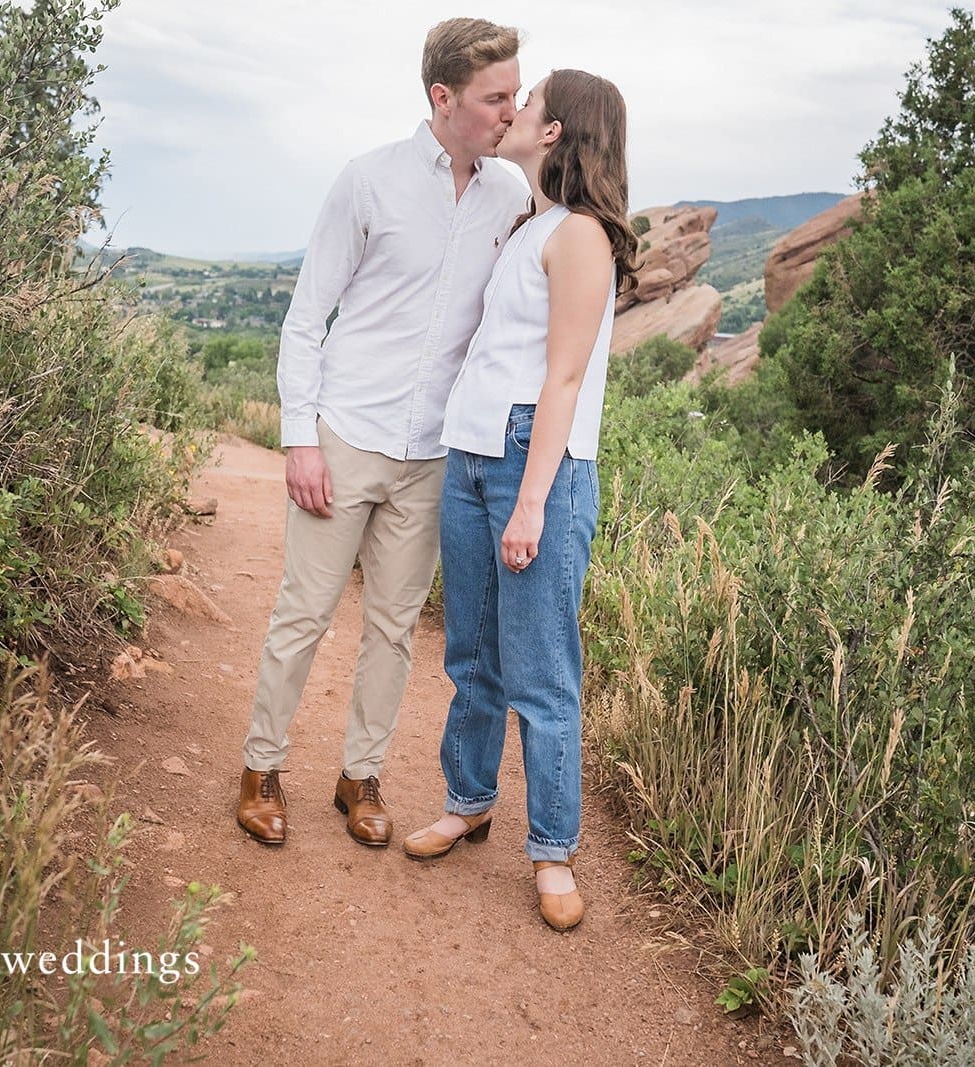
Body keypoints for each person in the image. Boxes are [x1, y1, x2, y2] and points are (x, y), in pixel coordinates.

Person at [235, 19, 529, 848]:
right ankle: (261, 767)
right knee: (305, 613)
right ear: (443, 98)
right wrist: (300, 438)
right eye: (494, 96)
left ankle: (358, 776)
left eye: (515, 92)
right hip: (349, 435)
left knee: (396, 629)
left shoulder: (510, 195)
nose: (510, 109)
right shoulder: (368, 182)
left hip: (434, 455)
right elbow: (305, 317)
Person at [402, 69, 638, 931]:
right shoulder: (526, 223)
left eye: (527, 101)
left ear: (554, 131)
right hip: (471, 456)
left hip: (533, 464)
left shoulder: (580, 234)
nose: (513, 110)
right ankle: (467, 801)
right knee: (472, 656)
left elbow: (564, 378)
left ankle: (552, 850)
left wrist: (533, 501)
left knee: (542, 672)